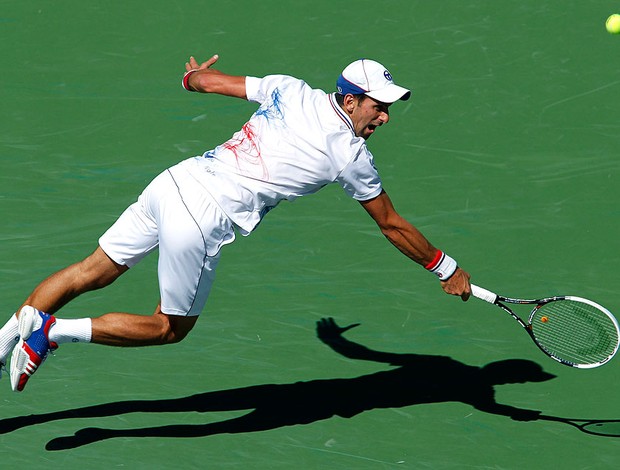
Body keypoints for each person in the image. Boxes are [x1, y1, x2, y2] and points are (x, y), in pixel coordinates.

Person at [0, 54, 471, 393]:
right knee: (169, 328)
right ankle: (52, 333)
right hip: (203, 218)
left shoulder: (290, 88)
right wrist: (444, 268)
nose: (384, 117)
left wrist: (192, 78)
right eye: (377, 106)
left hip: (174, 182)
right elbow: (390, 224)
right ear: (349, 101)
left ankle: (6, 341)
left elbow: (209, 83)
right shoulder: (350, 155)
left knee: (92, 270)